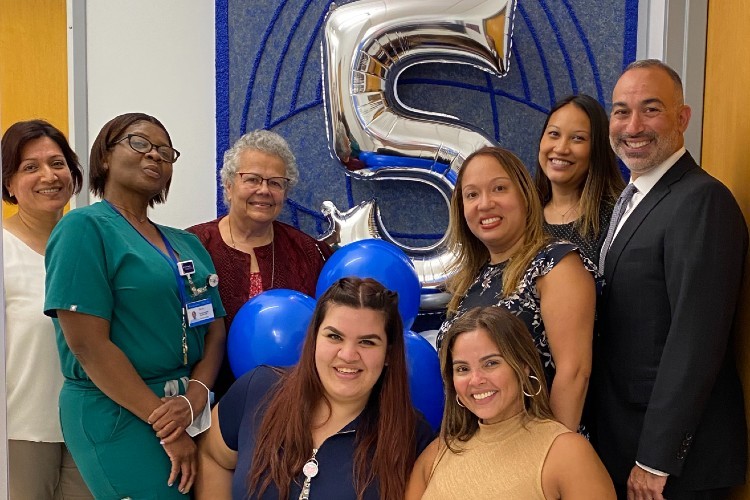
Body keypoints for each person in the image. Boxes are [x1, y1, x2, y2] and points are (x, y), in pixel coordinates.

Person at [44, 112, 227, 498]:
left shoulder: (187, 244)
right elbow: (89, 346)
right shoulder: (83, 229)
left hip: (186, 405)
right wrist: (167, 425)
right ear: (105, 157)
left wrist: (195, 396)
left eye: (165, 151)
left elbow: (214, 330)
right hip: (118, 408)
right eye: (140, 143)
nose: (155, 156)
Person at [593, 59, 748, 499]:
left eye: (651, 109)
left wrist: (656, 458)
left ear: (682, 118)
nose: (633, 125)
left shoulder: (702, 200)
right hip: (625, 440)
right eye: (621, 111)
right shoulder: (636, 197)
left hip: (674, 469)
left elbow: (695, 339)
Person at [195, 277, 434, 499]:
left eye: (367, 342)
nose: (348, 355)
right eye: (334, 337)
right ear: (314, 339)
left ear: (389, 353)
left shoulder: (413, 436)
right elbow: (213, 457)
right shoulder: (257, 389)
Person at [438, 146, 596, 433]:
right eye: (472, 195)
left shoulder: (555, 265)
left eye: (499, 188)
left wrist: (543, 460)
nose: (484, 204)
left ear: (525, 195)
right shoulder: (470, 281)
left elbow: (574, 374)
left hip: (541, 452)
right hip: (480, 450)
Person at [407, 306, 615, 499]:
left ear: (523, 366)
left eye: (491, 363)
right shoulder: (435, 454)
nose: (476, 379)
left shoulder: (567, 453)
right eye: (462, 369)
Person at [188, 129, 332, 399]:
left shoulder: (311, 252)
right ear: (228, 186)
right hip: (205, 403)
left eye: (276, 183)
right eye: (252, 179)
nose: (264, 190)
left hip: (292, 404)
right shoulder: (191, 247)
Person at [2, 120, 91, 499]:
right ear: (8, 183)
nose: (48, 176)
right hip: (18, 429)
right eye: (30, 167)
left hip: (88, 425)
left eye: (58, 163)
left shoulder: (91, 243)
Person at [535, 94, 625, 264]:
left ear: (597, 149)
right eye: (554, 134)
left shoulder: (616, 217)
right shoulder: (522, 213)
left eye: (578, 138)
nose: (561, 148)